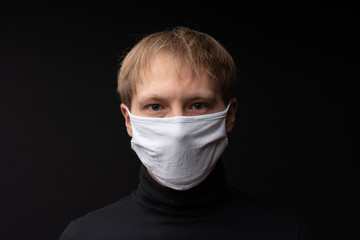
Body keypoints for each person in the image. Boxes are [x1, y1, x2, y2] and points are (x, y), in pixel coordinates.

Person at [59, 26, 312, 239]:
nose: (179, 130)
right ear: (128, 119)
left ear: (230, 115)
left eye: (197, 105)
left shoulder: (287, 233)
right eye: (156, 106)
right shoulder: (85, 235)